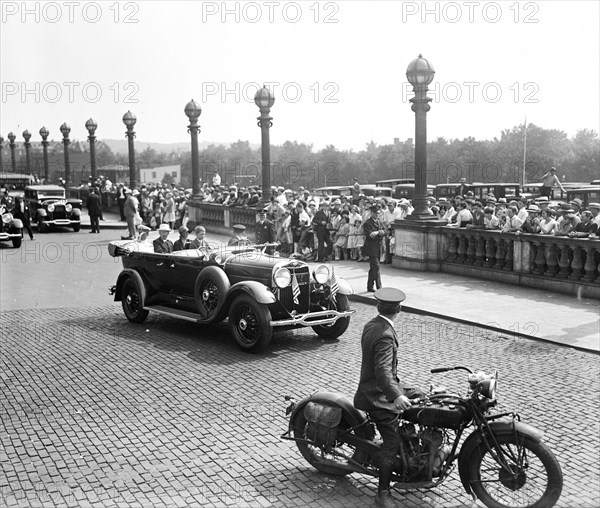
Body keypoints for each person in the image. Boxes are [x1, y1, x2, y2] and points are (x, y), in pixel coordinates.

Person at [354, 288, 426, 508]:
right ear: (399, 309)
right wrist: (396, 396)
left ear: (378, 307)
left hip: (381, 387)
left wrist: (400, 390)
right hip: (376, 396)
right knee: (391, 444)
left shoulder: (373, 324)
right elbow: (383, 372)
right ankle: (382, 493)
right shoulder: (385, 333)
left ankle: (415, 449)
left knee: (423, 396)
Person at [363, 204, 386, 292]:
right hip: (371, 247)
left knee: (373, 268)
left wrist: (377, 232)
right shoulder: (367, 223)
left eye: (378, 213)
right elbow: (370, 236)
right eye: (375, 213)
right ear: (371, 213)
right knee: (376, 267)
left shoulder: (380, 221)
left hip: (379, 246)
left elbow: (385, 231)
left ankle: (369, 286)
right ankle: (379, 287)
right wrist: (380, 233)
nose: (377, 215)